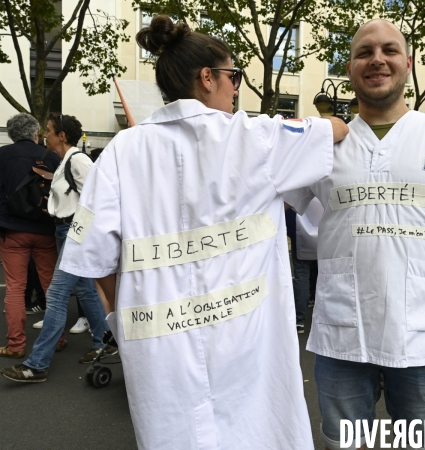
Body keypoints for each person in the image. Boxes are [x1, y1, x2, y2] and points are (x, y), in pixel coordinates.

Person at [57, 16, 348, 450]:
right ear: (208, 78)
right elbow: (336, 130)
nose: (237, 88)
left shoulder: (120, 152)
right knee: (259, 432)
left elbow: (95, 262)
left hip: (159, 344)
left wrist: (131, 315)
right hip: (247, 342)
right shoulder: (258, 137)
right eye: (234, 76)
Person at [284, 19, 425, 449]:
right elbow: (264, 203)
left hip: (421, 339)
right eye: (364, 52)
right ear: (349, 68)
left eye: (388, 50)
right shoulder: (323, 143)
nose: (377, 60)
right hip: (340, 340)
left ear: (407, 62)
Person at [2, 113, 113, 383]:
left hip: (73, 231)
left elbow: (98, 199)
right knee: (85, 290)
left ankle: (36, 364)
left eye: (49, 130)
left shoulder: (78, 159)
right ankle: (103, 343)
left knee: (56, 294)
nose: (45, 135)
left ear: (62, 135)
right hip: (64, 230)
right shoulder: (66, 160)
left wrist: (78, 233)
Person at [0, 113, 60, 359]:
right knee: (51, 287)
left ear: (11, 135)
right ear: (36, 133)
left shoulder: (2, 155)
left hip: (12, 230)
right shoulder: (52, 157)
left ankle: (15, 345)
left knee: (15, 287)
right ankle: (58, 339)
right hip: (46, 229)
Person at [286, 198, 322, 333]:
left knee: (301, 274)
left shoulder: (299, 182)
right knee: (323, 271)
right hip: (326, 233)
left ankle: (299, 320)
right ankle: (317, 305)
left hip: (301, 233)